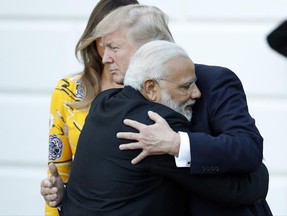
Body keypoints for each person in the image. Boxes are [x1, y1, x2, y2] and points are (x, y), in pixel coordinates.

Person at [41, 4, 272, 215]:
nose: (105, 58)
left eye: (114, 47)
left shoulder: (214, 82)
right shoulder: (114, 106)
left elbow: (248, 146)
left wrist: (178, 144)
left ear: (150, 48)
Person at [46, 0, 139, 215]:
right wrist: (54, 199)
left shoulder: (154, 89)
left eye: (118, 40)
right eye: (102, 38)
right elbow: (57, 171)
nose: (108, 48)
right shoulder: (67, 91)